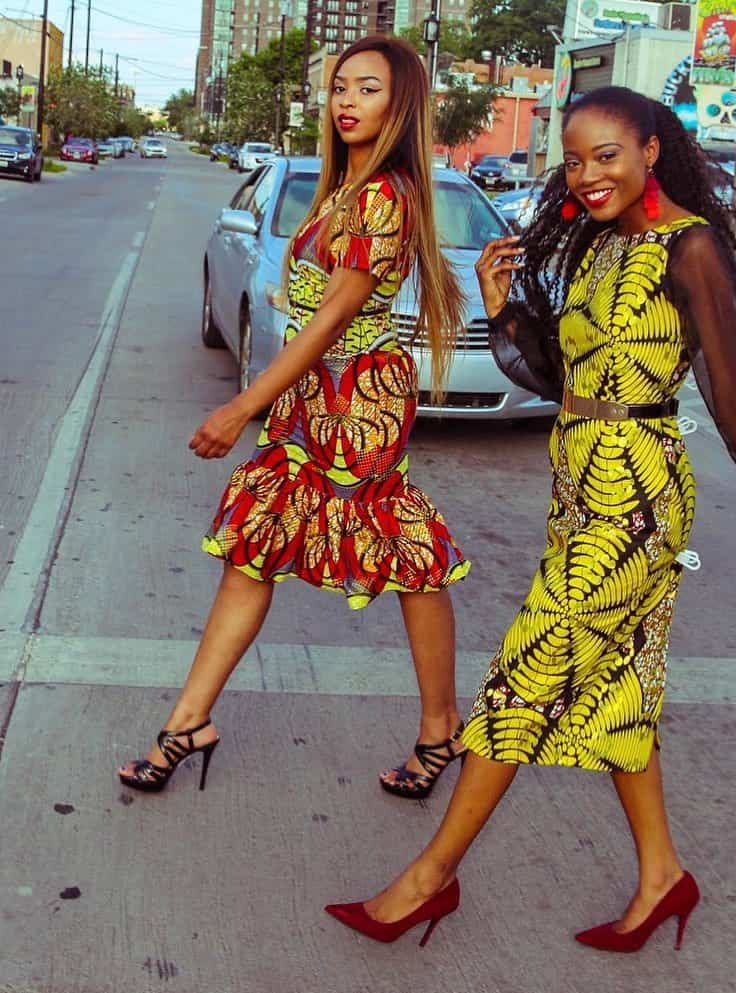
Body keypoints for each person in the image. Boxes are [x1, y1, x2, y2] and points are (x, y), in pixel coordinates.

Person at [325, 86, 736, 950]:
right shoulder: (602, 245)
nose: (588, 174)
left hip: (634, 502)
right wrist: (503, 305)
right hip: (579, 487)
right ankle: (662, 876)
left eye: (607, 155)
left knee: (525, 678)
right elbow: (567, 375)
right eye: (574, 160)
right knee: (616, 689)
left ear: (650, 152)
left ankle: (428, 879)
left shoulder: (689, 246)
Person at [118, 36, 471, 799]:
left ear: (400, 103)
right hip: (312, 397)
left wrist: (243, 404)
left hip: (358, 403)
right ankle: (188, 722)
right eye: (340, 86)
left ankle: (441, 725)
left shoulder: (383, 196)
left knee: (405, 556)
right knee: (252, 546)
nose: (346, 101)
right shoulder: (344, 187)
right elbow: (320, 307)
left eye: (368, 88)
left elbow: (335, 318)